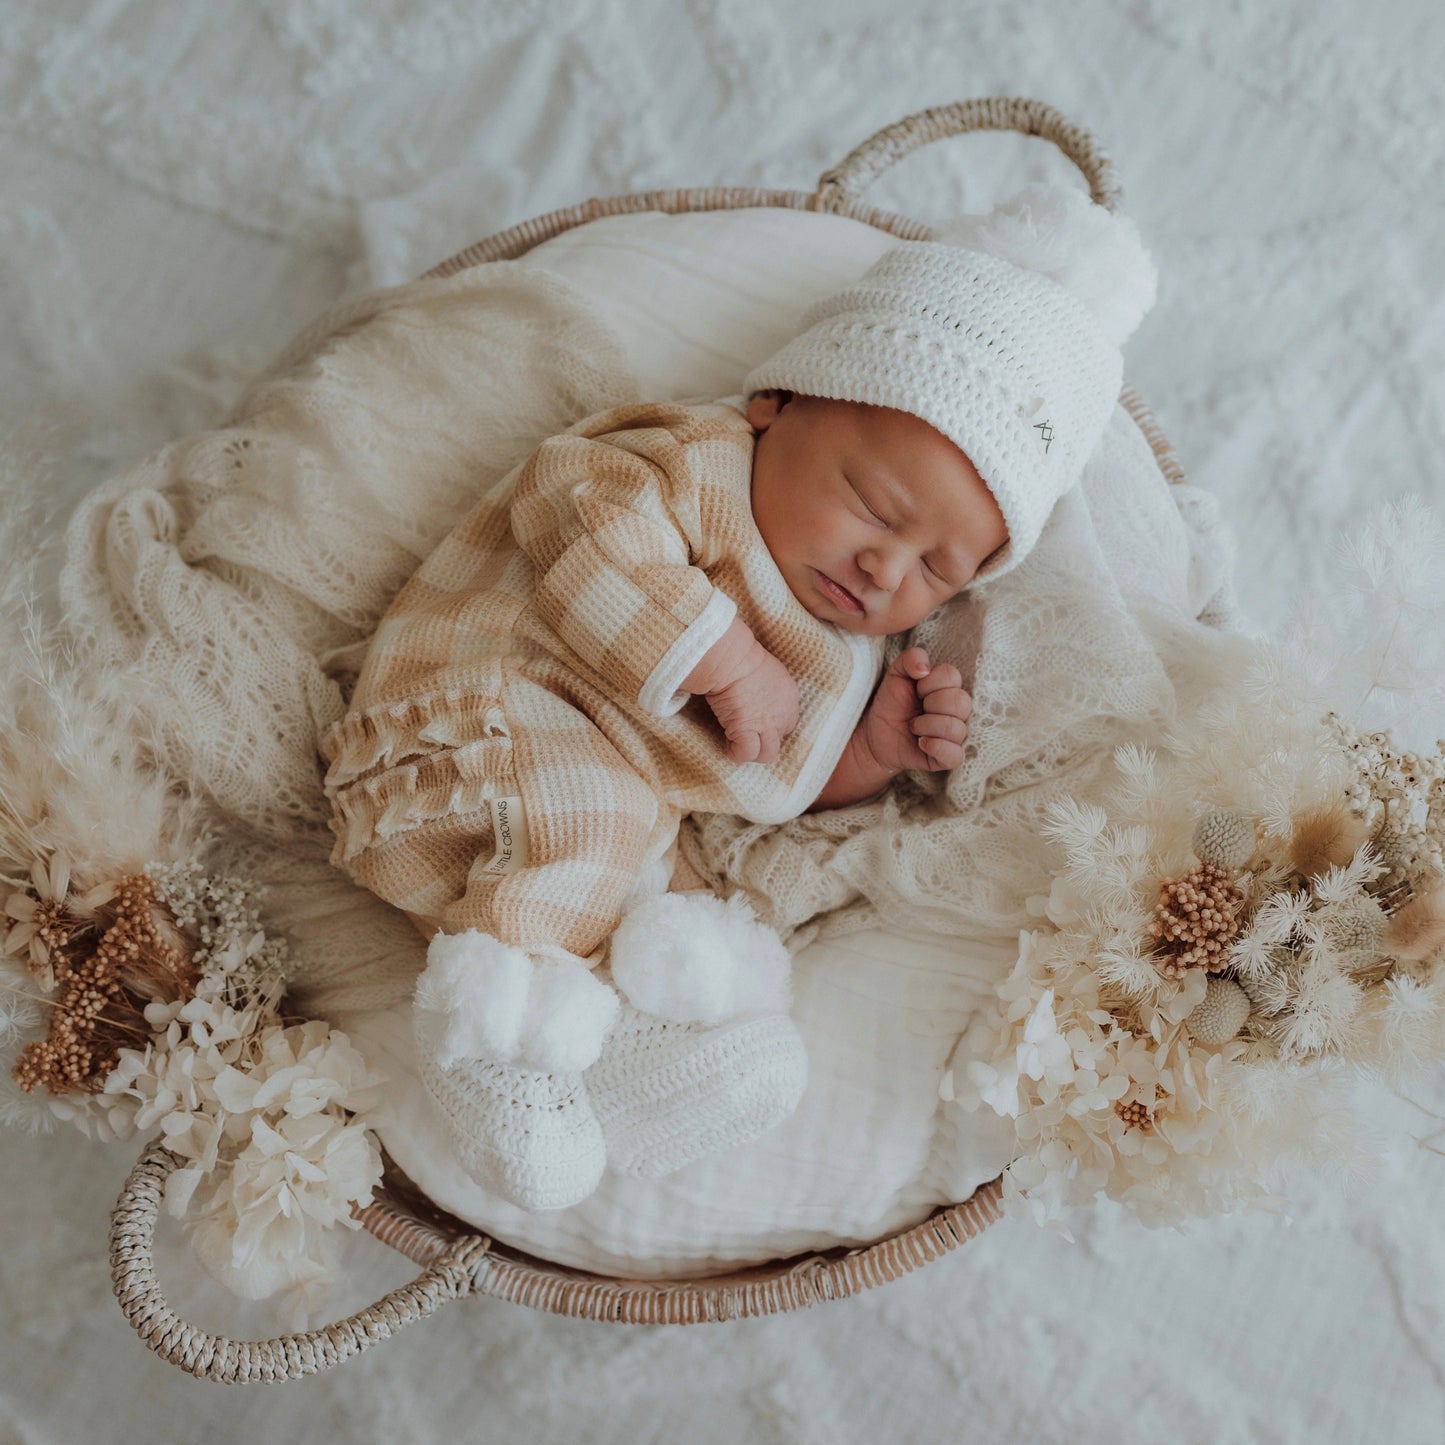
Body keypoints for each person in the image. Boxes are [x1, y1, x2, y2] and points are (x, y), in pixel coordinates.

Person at [320, 184, 1156, 1209]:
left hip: (550, 838)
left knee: (678, 905)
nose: (887, 569)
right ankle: (495, 1042)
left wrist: (871, 752)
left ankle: (643, 1055)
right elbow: (570, 513)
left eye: (938, 568)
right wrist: (715, 649)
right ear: (779, 401)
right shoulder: (693, 467)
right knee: (590, 816)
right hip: (475, 728)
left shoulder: (850, 635)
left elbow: (766, 775)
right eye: (872, 504)